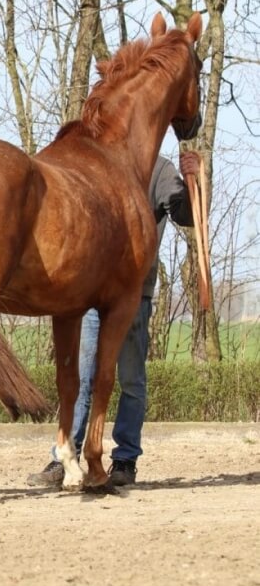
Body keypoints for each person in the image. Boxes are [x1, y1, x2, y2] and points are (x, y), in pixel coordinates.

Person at [27, 151, 200, 488]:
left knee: (131, 378)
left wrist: (194, 184)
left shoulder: (159, 170)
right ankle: (65, 455)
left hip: (133, 292)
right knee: (83, 375)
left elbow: (188, 215)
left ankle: (125, 458)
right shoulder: (94, 167)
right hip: (89, 288)